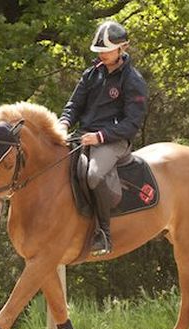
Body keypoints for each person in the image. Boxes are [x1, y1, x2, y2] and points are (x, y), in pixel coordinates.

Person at [57, 20, 148, 256]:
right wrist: (64, 123)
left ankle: (104, 233)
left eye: (106, 50)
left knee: (94, 175)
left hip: (113, 141)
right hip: (83, 136)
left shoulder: (133, 81)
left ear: (123, 48)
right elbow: (73, 105)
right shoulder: (91, 74)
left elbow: (132, 123)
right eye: (99, 51)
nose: (102, 55)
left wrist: (100, 136)